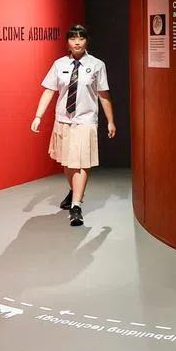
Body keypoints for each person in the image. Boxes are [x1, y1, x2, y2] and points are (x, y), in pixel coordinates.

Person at [31, 24, 115, 227]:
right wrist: (38, 116)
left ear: (87, 41)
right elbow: (49, 90)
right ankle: (74, 191)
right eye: (73, 38)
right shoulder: (59, 64)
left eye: (81, 38)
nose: (77, 42)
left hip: (85, 121)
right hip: (63, 120)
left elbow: (103, 94)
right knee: (68, 163)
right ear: (67, 42)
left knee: (80, 162)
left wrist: (110, 120)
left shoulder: (97, 65)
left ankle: (76, 206)